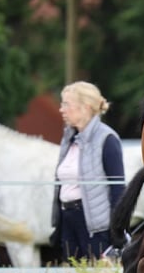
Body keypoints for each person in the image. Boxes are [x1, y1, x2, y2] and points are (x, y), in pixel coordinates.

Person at [51, 81, 125, 263]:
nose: (61, 109)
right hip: (68, 220)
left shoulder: (107, 139)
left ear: (85, 107)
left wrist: (116, 232)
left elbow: (118, 189)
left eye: (66, 104)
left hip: (95, 227)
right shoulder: (68, 138)